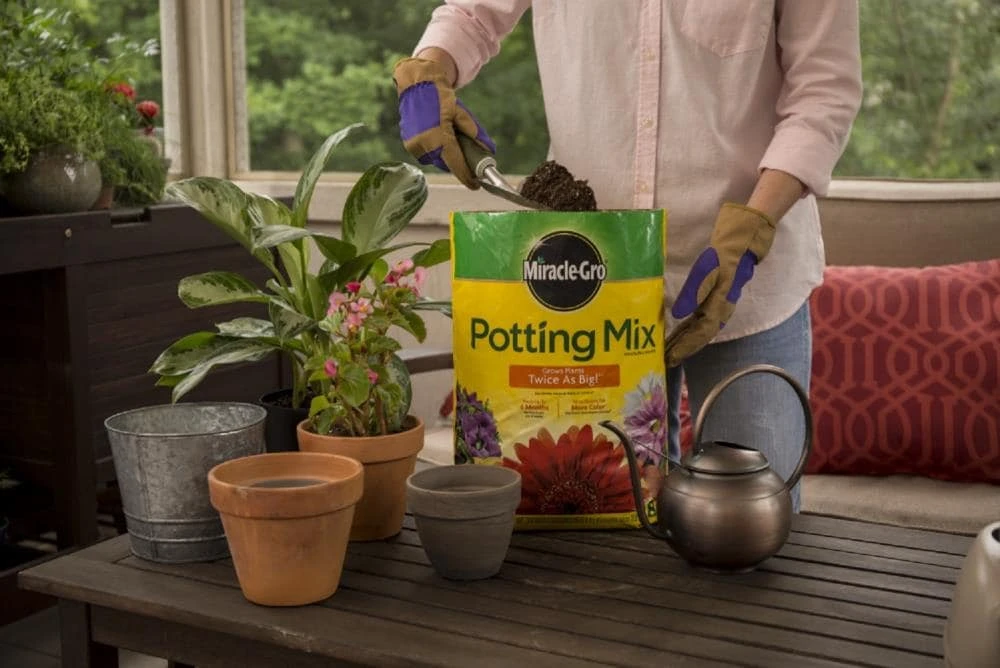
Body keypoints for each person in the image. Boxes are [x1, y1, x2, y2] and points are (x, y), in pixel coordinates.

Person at [394, 1, 863, 510]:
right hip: (591, 280)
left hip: (744, 284)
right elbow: (474, 13)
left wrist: (752, 230)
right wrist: (427, 72)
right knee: (600, 534)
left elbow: (823, 93)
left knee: (753, 527)